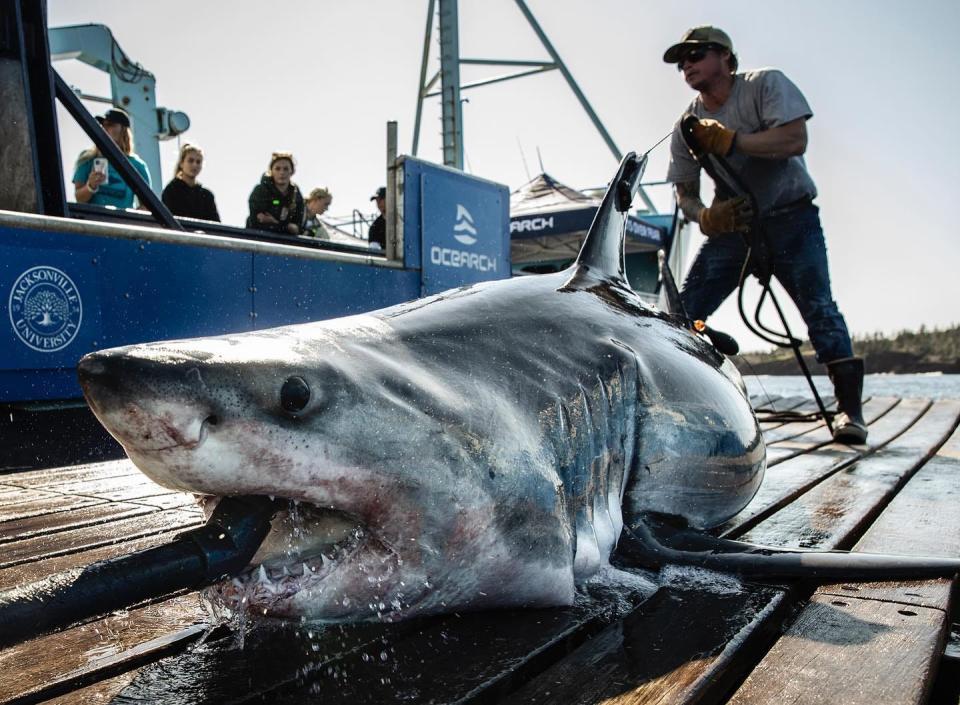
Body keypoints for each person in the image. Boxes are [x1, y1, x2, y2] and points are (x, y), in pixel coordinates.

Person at [663, 26, 866, 443]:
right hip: (734, 228)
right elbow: (684, 193)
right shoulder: (686, 126)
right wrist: (705, 217)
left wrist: (734, 141)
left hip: (792, 220)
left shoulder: (764, 85)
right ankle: (681, 409)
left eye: (696, 54)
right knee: (681, 316)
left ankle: (850, 413)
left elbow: (795, 139)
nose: (687, 64)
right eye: (681, 60)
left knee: (819, 309)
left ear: (725, 57)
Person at [72, 108, 151, 209]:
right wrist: (90, 186)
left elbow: (147, 205)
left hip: (120, 223)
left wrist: (128, 218)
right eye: (103, 124)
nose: (104, 128)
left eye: (110, 125)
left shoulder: (137, 165)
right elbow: (79, 199)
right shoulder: (87, 159)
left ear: (123, 130)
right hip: (94, 221)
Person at [246, 151, 304, 235]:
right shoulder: (260, 191)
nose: (282, 172)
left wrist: (274, 222)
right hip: (258, 238)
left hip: (286, 242)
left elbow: (297, 228)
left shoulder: (296, 195)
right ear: (271, 171)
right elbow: (258, 222)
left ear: (292, 171)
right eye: (277, 168)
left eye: (286, 169)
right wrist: (286, 226)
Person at [161, 143, 220, 221]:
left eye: (198, 162)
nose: (194, 165)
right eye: (190, 161)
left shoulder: (207, 196)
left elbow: (215, 225)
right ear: (182, 163)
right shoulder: (171, 191)